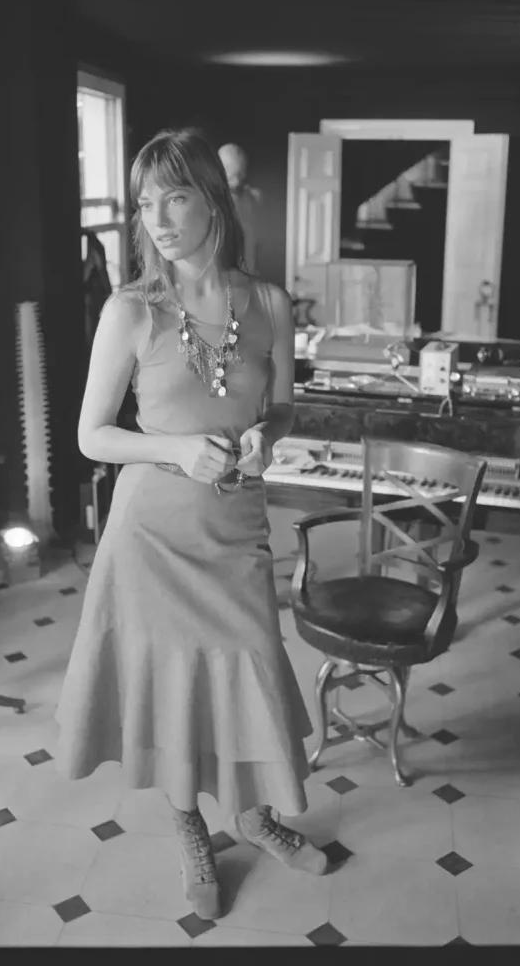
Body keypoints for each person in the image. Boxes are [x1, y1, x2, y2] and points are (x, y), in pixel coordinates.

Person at [55, 127, 326, 922]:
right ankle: (190, 830)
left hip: (236, 529)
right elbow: (91, 436)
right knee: (173, 686)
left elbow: (282, 407)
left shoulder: (268, 303)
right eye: (146, 203)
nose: (159, 219)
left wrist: (265, 433)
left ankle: (255, 815)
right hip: (151, 538)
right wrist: (175, 448)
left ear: (212, 199)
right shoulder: (130, 310)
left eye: (175, 197)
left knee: (251, 665)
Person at [218, 143, 262, 275]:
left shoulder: (253, 198)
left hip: (249, 273)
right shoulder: (211, 200)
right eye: (232, 176)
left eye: (241, 175)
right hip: (224, 275)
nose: (237, 181)